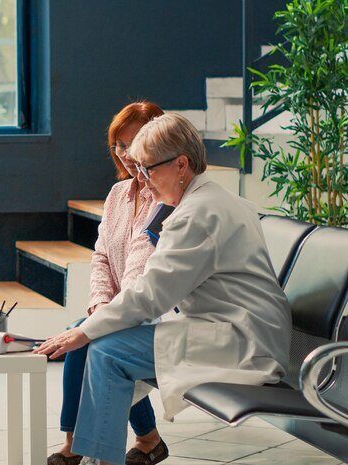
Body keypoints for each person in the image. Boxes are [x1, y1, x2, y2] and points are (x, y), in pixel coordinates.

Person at [36, 113, 291, 465]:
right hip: (231, 329)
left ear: (181, 165)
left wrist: (83, 330)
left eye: (148, 170)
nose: (143, 180)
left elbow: (152, 293)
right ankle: (101, 454)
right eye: (138, 169)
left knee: (107, 350)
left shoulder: (195, 214)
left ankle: (101, 456)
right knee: (105, 345)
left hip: (241, 342)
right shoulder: (207, 199)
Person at [47, 101, 167, 465]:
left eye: (134, 143)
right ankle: (148, 440)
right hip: (120, 307)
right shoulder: (118, 195)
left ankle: (74, 443)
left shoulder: (165, 198)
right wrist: (100, 305)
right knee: (91, 330)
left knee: (87, 337)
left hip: (155, 310)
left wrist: (104, 318)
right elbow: (101, 256)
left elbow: (140, 266)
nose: (127, 153)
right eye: (119, 144)